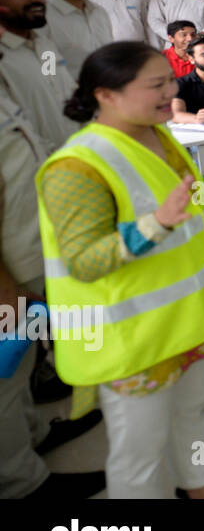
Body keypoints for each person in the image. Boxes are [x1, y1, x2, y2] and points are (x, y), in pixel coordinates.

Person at [38, 42, 204, 498]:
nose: (171, 93)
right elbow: (84, 261)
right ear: (106, 93)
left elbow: (180, 202)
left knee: (194, 413)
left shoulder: (155, 135)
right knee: (139, 453)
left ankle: (198, 485)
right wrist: (156, 224)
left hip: (187, 320)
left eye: (170, 80)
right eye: (156, 85)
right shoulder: (77, 166)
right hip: (133, 340)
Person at [1, 68, 105, 500]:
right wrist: (4, 286)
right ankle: (21, 483)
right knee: (4, 381)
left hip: (31, 252)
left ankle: (36, 433)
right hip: (9, 269)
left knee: (20, 368)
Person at [0, 0, 77, 153]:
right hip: (39, 171)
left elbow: (61, 90)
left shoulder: (45, 46)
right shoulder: (5, 58)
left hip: (74, 156)